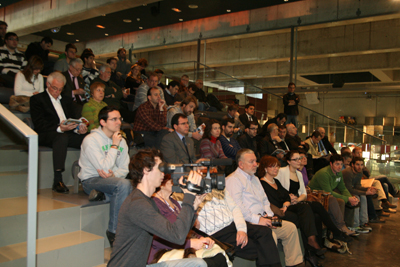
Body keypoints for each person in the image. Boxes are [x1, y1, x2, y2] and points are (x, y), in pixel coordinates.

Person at [108, 149, 207, 267]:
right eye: (160, 168)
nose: (163, 173)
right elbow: (178, 236)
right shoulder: (137, 204)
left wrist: (194, 205)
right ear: (146, 170)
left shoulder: (147, 201)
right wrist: (189, 197)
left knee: (198, 264)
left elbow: (179, 231)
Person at [225, 149, 304, 267]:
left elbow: (265, 201)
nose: (255, 164)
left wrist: (270, 216)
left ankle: (294, 264)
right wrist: (259, 220)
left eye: (255, 161)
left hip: (265, 218)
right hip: (250, 222)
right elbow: (238, 209)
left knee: (290, 228)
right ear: (241, 164)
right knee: (270, 234)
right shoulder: (233, 180)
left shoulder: (255, 179)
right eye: (251, 162)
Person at [259, 156, 331, 267]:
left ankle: (311, 244)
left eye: (277, 166)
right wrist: (282, 207)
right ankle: (310, 250)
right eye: (272, 166)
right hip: (274, 215)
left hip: (284, 209)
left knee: (306, 208)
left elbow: (286, 196)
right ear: (264, 168)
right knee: (308, 218)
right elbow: (268, 204)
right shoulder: (261, 183)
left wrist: (286, 205)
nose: (276, 169)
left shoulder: (276, 181)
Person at [78, 106, 132, 247]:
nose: (118, 122)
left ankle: (103, 195)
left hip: (112, 180)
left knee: (136, 185)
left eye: (119, 119)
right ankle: (114, 232)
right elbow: (103, 168)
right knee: (124, 185)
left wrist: (114, 175)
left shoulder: (123, 141)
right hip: (92, 180)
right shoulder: (91, 140)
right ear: (102, 122)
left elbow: (124, 168)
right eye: (113, 119)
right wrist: (114, 146)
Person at [149, 175, 228, 266]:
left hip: (181, 246)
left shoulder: (173, 202)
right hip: (162, 253)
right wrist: (189, 243)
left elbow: (185, 227)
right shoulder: (154, 204)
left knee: (219, 257)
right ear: (161, 184)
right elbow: (157, 240)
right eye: (171, 180)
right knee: (210, 263)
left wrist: (200, 238)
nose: (176, 182)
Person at [30, 72, 88, 193]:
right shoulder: (37, 99)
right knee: (61, 138)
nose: (57, 92)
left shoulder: (66, 100)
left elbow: (74, 119)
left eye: (60, 89)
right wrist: (59, 128)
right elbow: (39, 124)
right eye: (54, 88)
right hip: (47, 133)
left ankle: (90, 175)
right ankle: (57, 179)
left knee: (88, 138)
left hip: (67, 133)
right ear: (48, 84)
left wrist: (79, 128)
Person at [197, 188, 283, 267]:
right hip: (216, 233)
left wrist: (241, 230)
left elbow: (235, 208)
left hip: (233, 224)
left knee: (265, 232)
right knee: (262, 248)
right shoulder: (188, 191)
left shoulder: (216, 184)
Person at [308, 154, 360, 233]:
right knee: (341, 201)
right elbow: (329, 192)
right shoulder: (324, 173)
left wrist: (350, 198)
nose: (339, 167)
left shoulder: (339, 173)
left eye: (341, 164)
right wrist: (348, 198)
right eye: (337, 164)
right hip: (315, 195)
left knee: (351, 198)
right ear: (331, 164)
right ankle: (340, 227)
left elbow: (342, 188)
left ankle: (348, 226)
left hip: (326, 194)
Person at [342, 157, 378, 233]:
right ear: (352, 165)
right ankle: (355, 225)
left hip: (349, 190)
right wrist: (365, 192)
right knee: (357, 197)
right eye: (357, 164)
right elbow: (348, 189)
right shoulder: (348, 172)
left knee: (363, 197)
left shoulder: (360, 172)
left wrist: (368, 189)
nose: (360, 167)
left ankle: (363, 222)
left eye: (361, 165)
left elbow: (357, 186)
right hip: (342, 191)